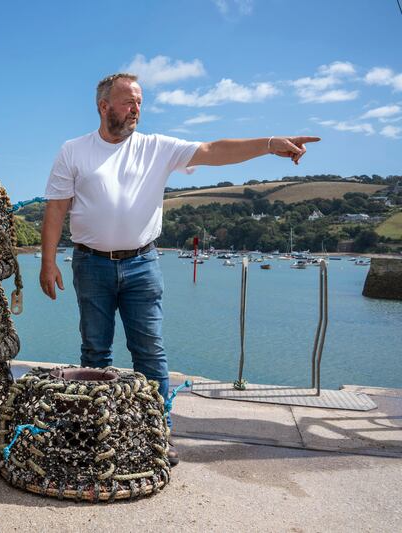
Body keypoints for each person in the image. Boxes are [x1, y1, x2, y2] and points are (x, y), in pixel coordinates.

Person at [39, 72, 320, 466]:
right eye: (128, 101)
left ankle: (157, 433)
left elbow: (212, 149)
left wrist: (270, 144)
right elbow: (56, 208)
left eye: (140, 102)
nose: (136, 109)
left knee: (150, 353)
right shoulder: (73, 151)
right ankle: (94, 431)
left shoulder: (157, 147)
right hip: (91, 264)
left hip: (142, 264)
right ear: (103, 106)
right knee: (95, 352)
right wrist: (48, 262)